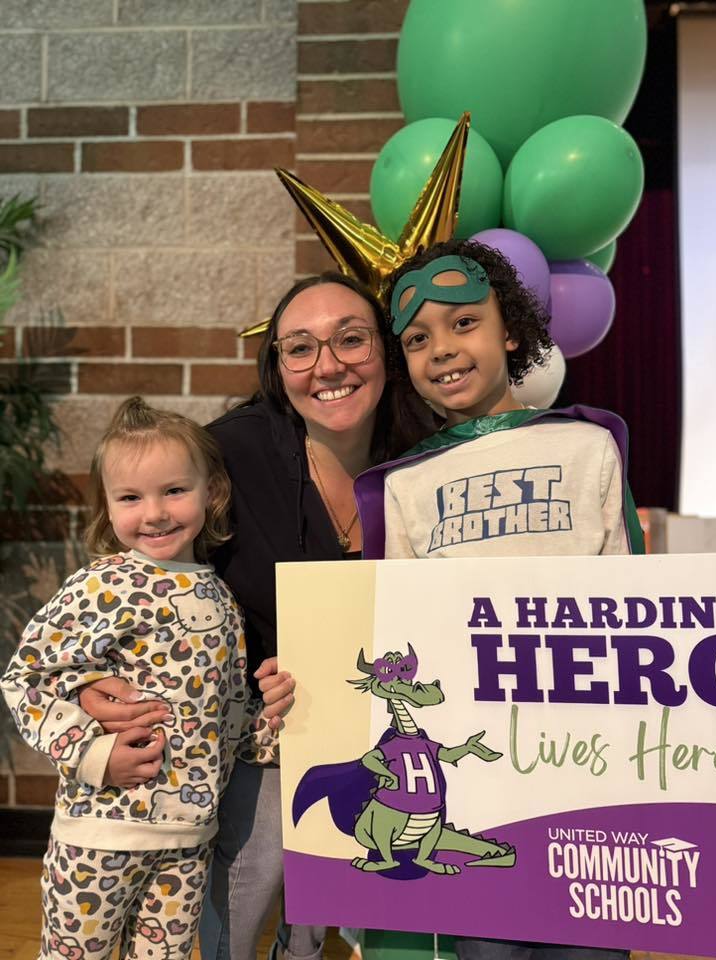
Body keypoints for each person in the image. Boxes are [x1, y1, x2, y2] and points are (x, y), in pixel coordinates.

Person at [76, 273, 436, 960]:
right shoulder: (229, 455)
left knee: (393, 905)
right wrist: (93, 682)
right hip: (260, 736)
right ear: (276, 366)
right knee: (242, 909)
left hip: (388, 726)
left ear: (386, 353)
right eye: (299, 348)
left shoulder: (431, 456)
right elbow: (139, 563)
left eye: (351, 339)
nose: (327, 365)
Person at [353, 238, 644, 960]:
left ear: (510, 329)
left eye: (463, 323)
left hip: (588, 772)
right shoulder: (405, 485)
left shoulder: (587, 446)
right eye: (417, 339)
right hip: (479, 789)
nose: (442, 350)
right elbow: (400, 637)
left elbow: (637, 605)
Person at [1, 396, 267, 960]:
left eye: (174, 490)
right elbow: (27, 678)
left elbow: (231, 708)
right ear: (108, 504)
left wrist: (270, 732)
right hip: (100, 834)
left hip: (189, 842)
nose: (154, 513)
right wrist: (92, 755)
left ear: (211, 491)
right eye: (130, 497)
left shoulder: (221, 593)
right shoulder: (104, 584)